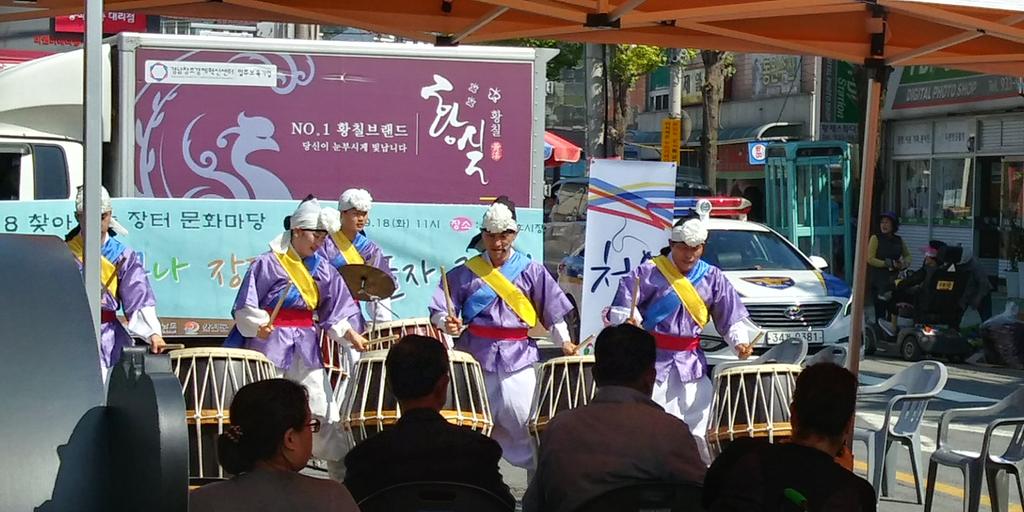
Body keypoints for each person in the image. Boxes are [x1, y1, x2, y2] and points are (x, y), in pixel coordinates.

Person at [428, 197, 575, 469]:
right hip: (476, 358)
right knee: (470, 426)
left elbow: (552, 312)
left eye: (504, 235)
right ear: (483, 234)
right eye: (491, 236)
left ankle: (537, 492)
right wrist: (446, 322)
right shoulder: (464, 273)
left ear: (515, 233)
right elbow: (440, 310)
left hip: (518, 359)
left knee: (528, 427)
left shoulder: (532, 271)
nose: (497, 243)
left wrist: (564, 342)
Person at [227, 195, 369, 466]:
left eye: (323, 237)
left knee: (322, 408)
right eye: (315, 235)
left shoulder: (324, 269)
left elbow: (336, 308)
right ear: (297, 231)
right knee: (266, 408)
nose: (319, 242)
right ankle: (260, 467)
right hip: (271, 342)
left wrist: (350, 333)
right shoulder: (268, 263)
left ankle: (339, 473)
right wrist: (258, 325)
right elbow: (246, 304)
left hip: (306, 342)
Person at [606, 212, 755, 464]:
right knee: (651, 424)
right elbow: (622, 310)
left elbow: (730, 317)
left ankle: (699, 480)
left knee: (699, 427)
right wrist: (628, 323)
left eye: (695, 248)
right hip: (654, 362)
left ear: (703, 247)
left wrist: (739, 341)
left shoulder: (713, 277)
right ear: (672, 245)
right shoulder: (648, 272)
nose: (689, 255)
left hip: (692, 363)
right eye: (683, 248)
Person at [523, 324, 707, 512]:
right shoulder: (669, 431)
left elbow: (534, 505)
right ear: (650, 377)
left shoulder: (559, 428)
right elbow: (703, 497)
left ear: (594, 374)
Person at [343, 335, 514, 507]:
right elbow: (503, 504)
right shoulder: (479, 451)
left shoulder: (366, 456)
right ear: (443, 386)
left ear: (389, 386)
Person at [703, 363, 876, 512]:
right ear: (848, 425)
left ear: (793, 415)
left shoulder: (740, 456)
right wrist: (844, 478)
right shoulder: (857, 495)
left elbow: (705, 500)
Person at [189, 379, 360, 512]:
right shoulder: (331, 497)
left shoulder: (201, 501)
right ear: (290, 439)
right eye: (310, 425)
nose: (312, 433)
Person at [65, 185, 165, 385]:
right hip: (70, 332)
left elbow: (138, 296)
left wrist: (153, 333)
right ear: (78, 217)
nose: (95, 222)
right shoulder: (63, 252)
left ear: (109, 215)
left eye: (101, 216)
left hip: (108, 334)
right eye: (87, 216)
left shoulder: (123, 255)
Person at [867, 212, 911, 323]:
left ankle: (892, 331)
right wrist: (887, 263)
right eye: (882, 222)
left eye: (887, 222)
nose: (884, 225)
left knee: (893, 309)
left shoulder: (898, 240)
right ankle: (879, 332)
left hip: (894, 280)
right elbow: (870, 258)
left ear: (893, 225)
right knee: (880, 310)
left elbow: (908, 255)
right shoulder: (875, 238)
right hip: (879, 280)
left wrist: (905, 263)